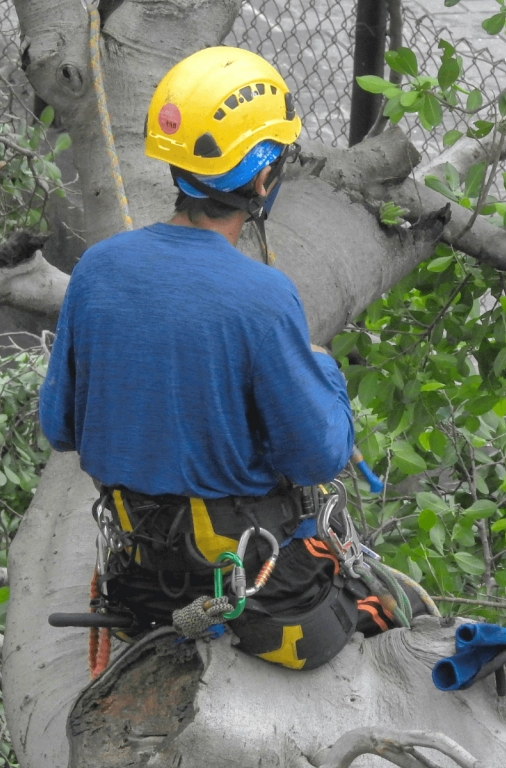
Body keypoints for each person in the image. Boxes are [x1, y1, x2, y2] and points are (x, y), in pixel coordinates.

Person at [39, 47, 413, 671]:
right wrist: (322, 369)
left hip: (138, 580)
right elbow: (318, 456)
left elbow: (60, 427)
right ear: (263, 180)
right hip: (253, 588)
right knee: (389, 614)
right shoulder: (263, 298)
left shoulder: (98, 268)